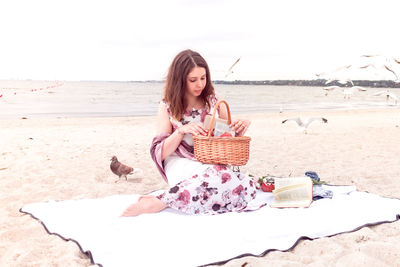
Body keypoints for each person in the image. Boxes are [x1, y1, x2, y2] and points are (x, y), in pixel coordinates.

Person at [121, 49, 255, 216]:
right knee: (220, 179)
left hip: (210, 164)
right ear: (180, 80)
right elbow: (159, 152)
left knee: (245, 184)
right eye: (193, 80)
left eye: (203, 78)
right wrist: (181, 131)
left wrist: (240, 130)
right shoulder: (167, 106)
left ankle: (163, 199)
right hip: (179, 162)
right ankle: (160, 202)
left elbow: (227, 142)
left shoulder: (214, 101)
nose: (200, 84)